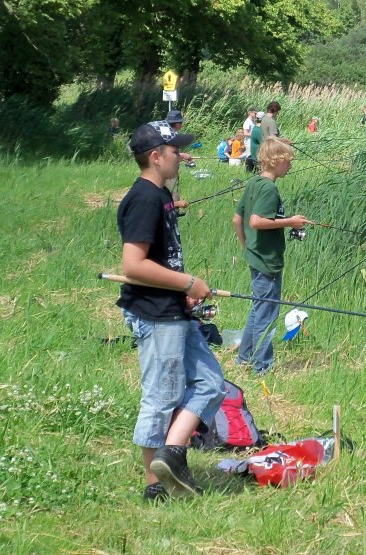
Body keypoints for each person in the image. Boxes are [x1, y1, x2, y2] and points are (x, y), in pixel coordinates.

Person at [117, 121, 225, 501]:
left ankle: (172, 455)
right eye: (174, 150)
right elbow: (133, 265)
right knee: (161, 398)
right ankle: (155, 487)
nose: (181, 155)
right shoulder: (144, 198)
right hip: (155, 314)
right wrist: (187, 283)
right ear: (155, 156)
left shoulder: (160, 195)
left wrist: (184, 292)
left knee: (211, 383)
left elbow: (162, 261)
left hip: (173, 308)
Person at [232, 137, 310, 375]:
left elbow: (238, 219)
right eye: (288, 162)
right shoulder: (269, 188)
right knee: (267, 316)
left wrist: (246, 248)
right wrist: (291, 222)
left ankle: (244, 357)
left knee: (258, 309)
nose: (291, 166)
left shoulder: (254, 183)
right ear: (276, 161)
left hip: (257, 257)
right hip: (267, 261)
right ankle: (262, 367)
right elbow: (256, 221)